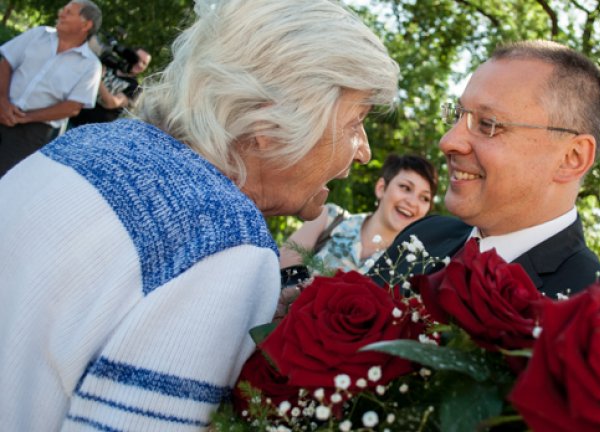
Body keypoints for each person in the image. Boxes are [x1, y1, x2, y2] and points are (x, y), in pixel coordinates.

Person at [0, 0, 398, 430]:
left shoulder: (92, 143)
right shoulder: (228, 243)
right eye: (356, 122)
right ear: (269, 119)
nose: (365, 152)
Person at [372, 40, 600, 298]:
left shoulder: (596, 310)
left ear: (571, 157)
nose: (448, 141)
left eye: (487, 124)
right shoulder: (423, 235)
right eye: (457, 115)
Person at [279, 154, 438, 275]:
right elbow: (281, 276)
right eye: (405, 187)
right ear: (381, 188)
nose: (412, 202)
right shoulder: (329, 218)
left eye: (424, 198)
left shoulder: (410, 266)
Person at [0, 0, 101, 177]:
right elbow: (6, 62)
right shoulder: (38, 34)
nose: (61, 13)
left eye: (69, 12)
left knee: (6, 179)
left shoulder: (91, 66)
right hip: (2, 106)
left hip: (31, 133)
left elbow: (73, 107)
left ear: (86, 25)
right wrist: (2, 101)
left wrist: (25, 118)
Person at [68, 47, 152, 127]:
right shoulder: (108, 64)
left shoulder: (135, 88)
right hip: (68, 113)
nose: (140, 64)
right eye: (137, 59)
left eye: (144, 63)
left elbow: (111, 103)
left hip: (90, 129)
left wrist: (97, 78)